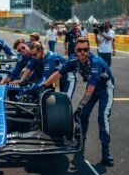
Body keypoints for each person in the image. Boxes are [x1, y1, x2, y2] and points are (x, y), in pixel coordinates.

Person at [42, 36, 115, 164]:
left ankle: (106, 152)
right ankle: (81, 142)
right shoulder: (73, 59)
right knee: (82, 116)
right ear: (75, 50)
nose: (82, 53)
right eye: (80, 50)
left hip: (105, 89)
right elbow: (59, 74)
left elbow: (90, 89)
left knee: (102, 117)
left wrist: (80, 105)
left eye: (85, 50)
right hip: (92, 87)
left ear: (89, 49)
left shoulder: (96, 62)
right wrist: (44, 85)